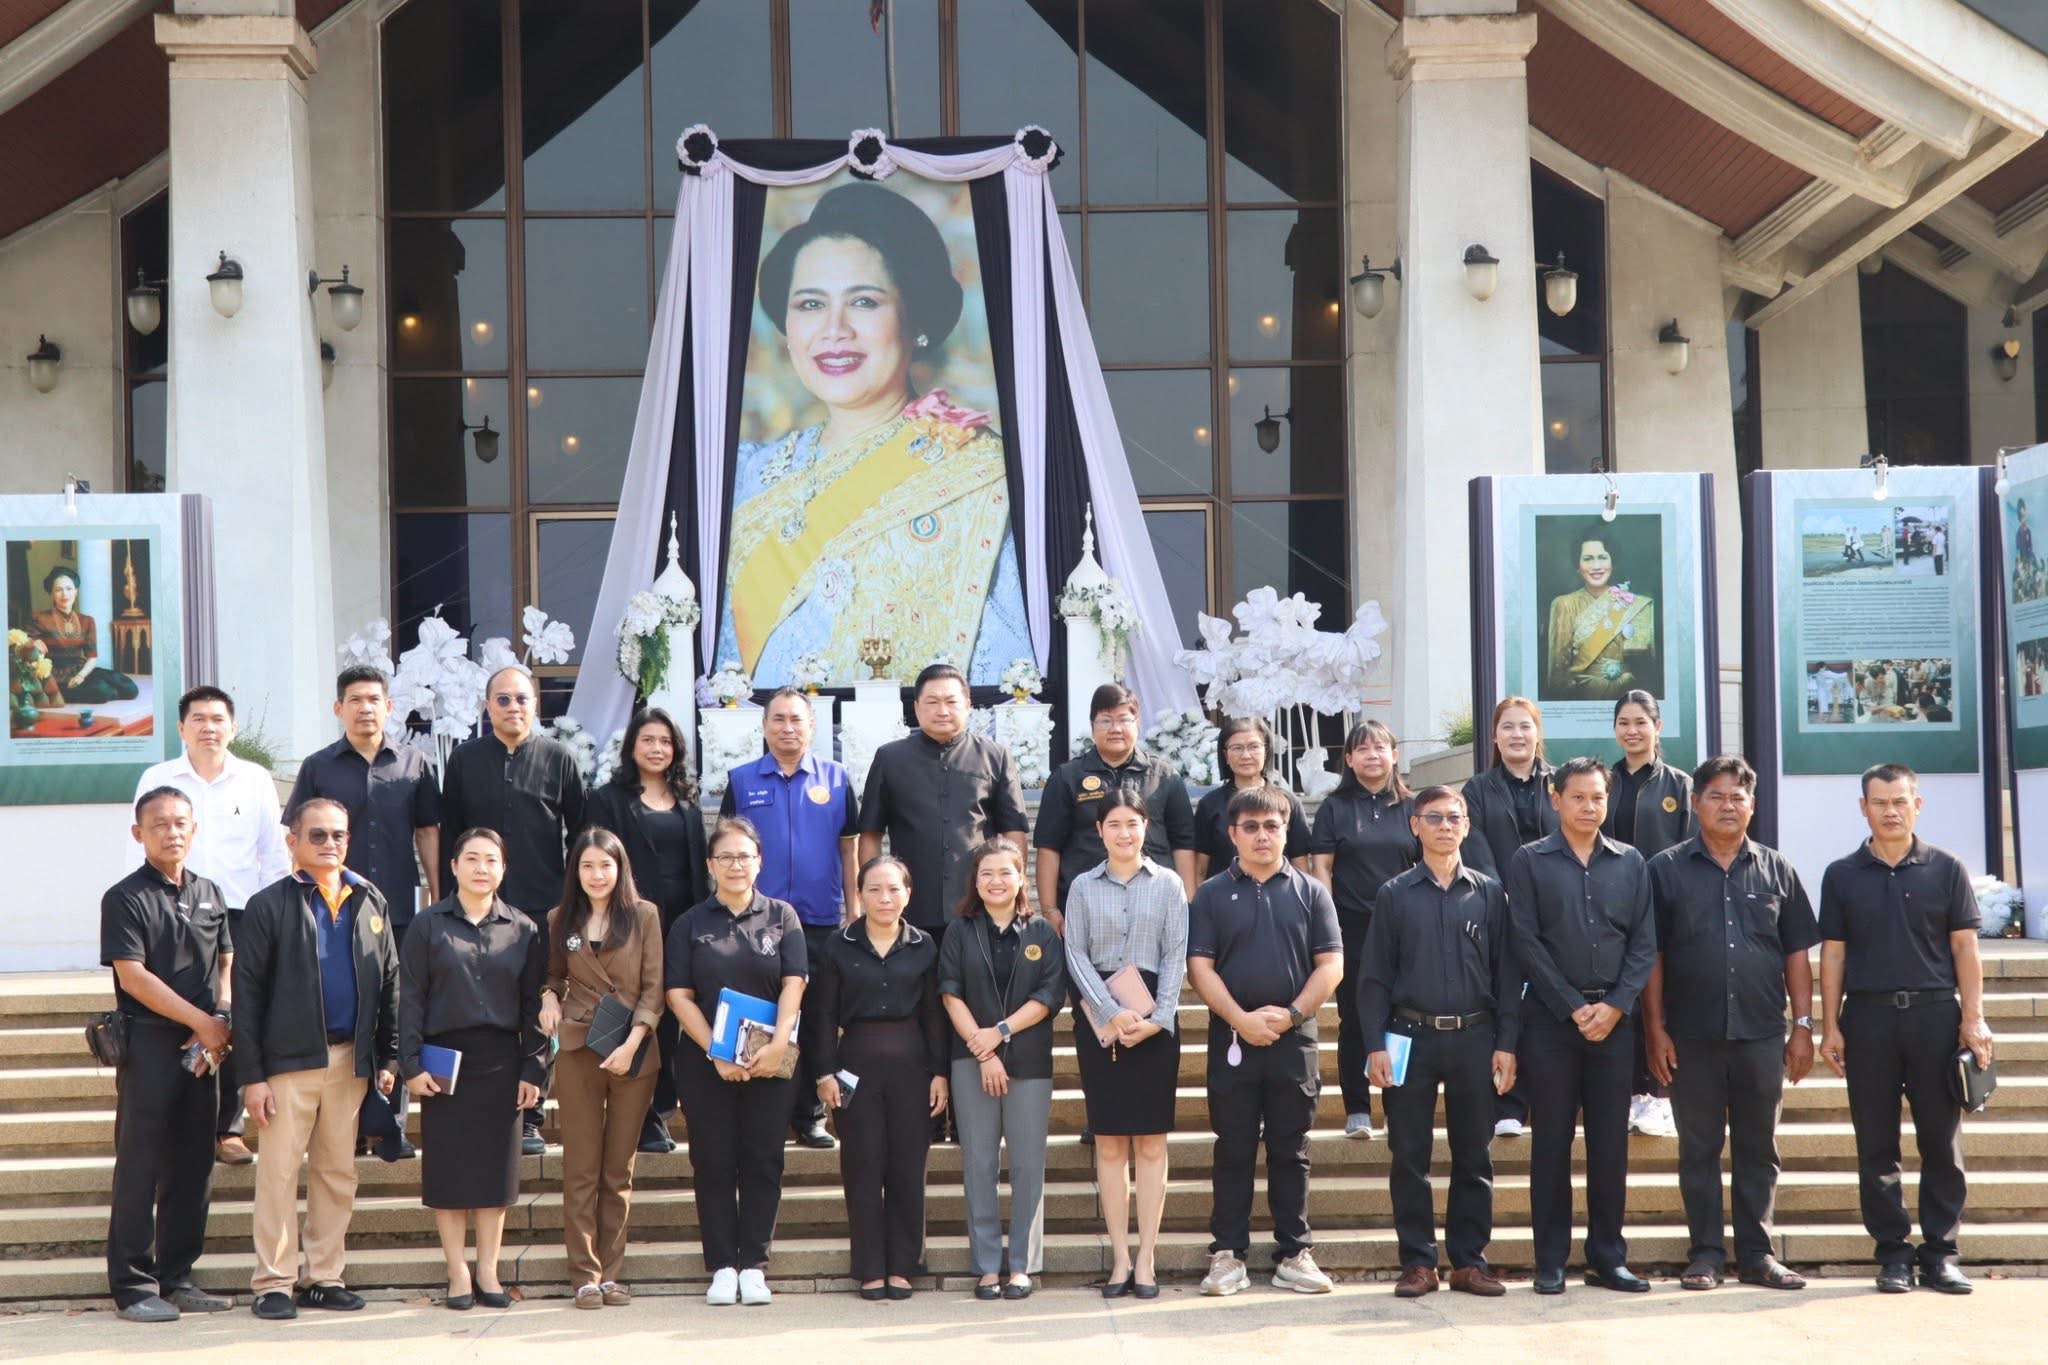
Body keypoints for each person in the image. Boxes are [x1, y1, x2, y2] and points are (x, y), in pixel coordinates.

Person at [714, 181, 1030, 685]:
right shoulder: (745, 475)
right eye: (811, 305)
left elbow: (1011, 671)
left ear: (916, 320)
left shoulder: (982, 473)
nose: (834, 330)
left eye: (863, 302)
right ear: (787, 330)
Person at [1641, 756, 1817, 1292]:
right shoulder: (1665, 869)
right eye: (1715, 796)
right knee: (1697, 1149)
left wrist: (1803, 1026)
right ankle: (1706, 1254)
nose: (1727, 805)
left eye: (1737, 797)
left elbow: (1796, 955)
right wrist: (1655, 1029)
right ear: (1695, 803)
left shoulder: (1777, 868)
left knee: (1758, 1147)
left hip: (1762, 1033)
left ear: (1752, 805)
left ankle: (1759, 1255)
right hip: (1690, 1036)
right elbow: (1652, 955)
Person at [1817, 763, 1992, 1294]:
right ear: (1863, 808)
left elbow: (1965, 947)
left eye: (1900, 801)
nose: (1890, 810)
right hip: (1867, 1019)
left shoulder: (1946, 868)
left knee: (1941, 1142)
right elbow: (1833, 955)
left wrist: (1973, 1017)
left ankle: (1941, 1254)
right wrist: (1830, 1026)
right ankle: (1893, 1254)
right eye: (1880, 802)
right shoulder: (1842, 873)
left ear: (1918, 804)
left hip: (1935, 1017)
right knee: (1876, 1145)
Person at [232, 797, 400, 1319]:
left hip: (351, 1062)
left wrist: (388, 1055)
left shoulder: (369, 899)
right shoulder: (268, 905)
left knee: (336, 1172)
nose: (331, 844)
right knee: (279, 1173)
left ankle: (324, 1276)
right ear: (293, 841)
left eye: (339, 835)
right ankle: (274, 1283)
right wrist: (252, 1076)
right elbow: (248, 996)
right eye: (319, 835)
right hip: (289, 1064)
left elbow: (391, 981)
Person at [1360, 786, 1519, 1298]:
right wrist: (1374, 1044)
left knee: (1475, 1153)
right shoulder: (1394, 894)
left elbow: (1507, 973)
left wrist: (1507, 1042)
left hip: (1475, 1036)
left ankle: (1469, 1262)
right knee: (1409, 1153)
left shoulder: (1490, 892)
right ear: (1415, 825)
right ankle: (1418, 1263)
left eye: (1455, 817)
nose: (1445, 826)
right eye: (1434, 818)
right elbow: (1375, 979)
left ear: (1467, 826)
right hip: (1410, 1037)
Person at [1506, 756, 1655, 1295]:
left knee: (1610, 1146)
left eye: (1598, 797)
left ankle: (1607, 1257)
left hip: (1615, 1024)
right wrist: (1571, 1006)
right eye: (1578, 797)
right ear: (1555, 797)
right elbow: (1525, 941)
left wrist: (1615, 1006)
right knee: (1550, 1143)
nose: (1590, 807)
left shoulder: (1631, 862)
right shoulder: (1529, 861)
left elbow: (1643, 944)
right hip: (1550, 1023)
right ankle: (1551, 1260)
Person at [1187, 787, 1343, 1298]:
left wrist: (1294, 1013)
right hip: (1233, 1038)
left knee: (1290, 1149)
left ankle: (1294, 1253)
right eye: (1250, 826)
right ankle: (1227, 1254)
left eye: (1271, 826)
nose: (1261, 835)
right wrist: (1240, 1018)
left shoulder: (1311, 891)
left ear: (1285, 831)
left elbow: (1331, 964)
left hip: (1293, 1041)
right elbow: (1199, 966)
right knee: (1232, 1148)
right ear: (1232, 834)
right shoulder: (1210, 893)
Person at [289, 664, 441, 1161]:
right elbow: (297, 835)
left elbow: (428, 834)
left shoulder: (414, 763)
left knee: (391, 1011)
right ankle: (342, 1127)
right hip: (331, 910)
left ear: (390, 706)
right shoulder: (318, 766)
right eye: (354, 700)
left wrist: (437, 899)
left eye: (374, 699)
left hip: (393, 907)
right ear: (339, 708)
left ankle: (389, 1126)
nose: (365, 707)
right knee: (343, 1008)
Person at [135, 685, 289, 1166]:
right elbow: (137, 847)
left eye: (217, 719)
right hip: (175, 911)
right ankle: (182, 1119)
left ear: (233, 727)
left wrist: (276, 917)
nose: (208, 727)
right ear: (181, 728)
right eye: (197, 719)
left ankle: (228, 1128)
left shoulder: (254, 780)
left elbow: (273, 855)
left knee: (239, 1015)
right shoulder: (158, 778)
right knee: (185, 1014)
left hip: (243, 913)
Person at [398, 828, 548, 1311]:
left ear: (503, 868)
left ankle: (488, 1269)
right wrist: (410, 1063)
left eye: (492, 860)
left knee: (495, 1176)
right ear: (455, 866)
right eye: (472, 859)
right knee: (448, 1173)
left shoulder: (523, 928)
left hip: (503, 1062)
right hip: (444, 1063)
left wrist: (535, 1070)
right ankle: (456, 1271)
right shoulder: (428, 925)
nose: (482, 868)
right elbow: (410, 998)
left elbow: (534, 1008)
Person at [440, 663, 587, 1153]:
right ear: (488, 707)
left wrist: (576, 906)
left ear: (536, 705)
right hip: (477, 908)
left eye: (521, 699)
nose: (512, 707)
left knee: (538, 1005)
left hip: (543, 906)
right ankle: (485, 1104)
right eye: (502, 699)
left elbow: (582, 836)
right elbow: (450, 836)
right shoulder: (464, 761)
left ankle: (531, 1112)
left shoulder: (560, 759)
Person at [101, 787, 235, 1323]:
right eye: (159, 824)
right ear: (139, 834)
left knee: (193, 1164)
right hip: (152, 1043)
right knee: (141, 1163)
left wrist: (220, 1020)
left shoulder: (210, 891)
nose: (171, 832)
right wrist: (200, 1021)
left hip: (204, 1050)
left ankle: (177, 1277)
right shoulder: (125, 897)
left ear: (194, 829)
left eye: (181, 822)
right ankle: (133, 1285)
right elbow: (132, 976)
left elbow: (227, 961)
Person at [664, 817, 807, 1308]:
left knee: (765, 1159)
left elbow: (794, 983)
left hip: (771, 1058)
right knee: (714, 1160)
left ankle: (755, 1265)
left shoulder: (782, 916)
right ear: (710, 865)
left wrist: (778, 1043)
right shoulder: (689, 923)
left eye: (745, 856)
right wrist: (717, 1052)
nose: (736, 865)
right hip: (707, 1062)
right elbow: (678, 995)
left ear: (759, 861)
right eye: (725, 857)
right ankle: (723, 1264)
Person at [720, 688, 860, 1151]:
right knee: (765, 1014)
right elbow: (724, 848)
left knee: (816, 1014)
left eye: (796, 720)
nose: (787, 728)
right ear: (764, 727)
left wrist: (853, 909)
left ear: (812, 725)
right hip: (758, 921)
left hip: (820, 918)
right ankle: (768, 1112)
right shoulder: (741, 781)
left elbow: (849, 847)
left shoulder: (837, 779)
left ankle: (811, 1115)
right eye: (777, 719)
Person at [1064, 787, 1188, 1298]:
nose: (1123, 832)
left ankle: (1146, 1260)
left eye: (1132, 823)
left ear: (1145, 828)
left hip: (1155, 1022)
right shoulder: (1082, 887)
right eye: (1113, 823)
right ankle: (1118, 1258)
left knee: (1152, 1143)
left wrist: (1158, 1018)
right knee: (1112, 1142)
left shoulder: (1169, 884)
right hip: (1100, 1020)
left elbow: (1177, 952)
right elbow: (1074, 953)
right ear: (1100, 831)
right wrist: (1113, 1012)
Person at [812, 856, 947, 1300]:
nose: (885, 898)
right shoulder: (838, 945)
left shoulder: (925, 945)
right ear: (860, 894)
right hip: (855, 1066)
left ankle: (904, 1265)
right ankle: (870, 1266)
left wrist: (940, 1072)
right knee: (863, 1163)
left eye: (894, 889)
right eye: (875, 889)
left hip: (912, 1066)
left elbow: (933, 1015)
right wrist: (824, 1072)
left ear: (909, 893)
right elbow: (824, 1014)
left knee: (909, 1165)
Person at [539, 828, 664, 1309]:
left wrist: (634, 1042)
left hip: (632, 1050)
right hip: (578, 1049)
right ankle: (584, 1275)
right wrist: (549, 997)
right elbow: (551, 973)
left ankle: (612, 1274)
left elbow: (654, 988)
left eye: (605, 866)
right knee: (582, 1166)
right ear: (577, 870)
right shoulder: (560, 918)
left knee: (618, 1169)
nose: (596, 875)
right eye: (587, 866)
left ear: (620, 867)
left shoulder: (645, 916)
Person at [938, 840, 1064, 1300]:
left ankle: (1022, 1266)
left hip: (1029, 1063)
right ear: (975, 880)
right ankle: (987, 1264)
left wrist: (1002, 1032)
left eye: (1005, 873)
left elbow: (1051, 997)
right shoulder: (959, 931)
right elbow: (950, 994)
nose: (996, 881)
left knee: (1028, 1165)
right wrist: (984, 1051)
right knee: (979, 1163)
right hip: (971, 1062)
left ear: (1021, 878)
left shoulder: (1042, 933)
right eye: (986, 873)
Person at [586, 706, 706, 1154]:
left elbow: (698, 868)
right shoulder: (607, 799)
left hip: (682, 923)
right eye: (648, 740)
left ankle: (666, 1106)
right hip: (629, 923)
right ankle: (641, 1115)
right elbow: (591, 864)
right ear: (632, 747)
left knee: (675, 1014)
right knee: (636, 1010)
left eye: (665, 741)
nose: (657, 749)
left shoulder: (688, 803)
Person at [858, 663, 1029, 939]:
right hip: (910, 908)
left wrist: (1017, 891)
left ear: (968, 705)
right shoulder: (890, 760)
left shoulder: (994, 757)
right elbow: (870, 834)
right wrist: (874, 894)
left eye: (951, 701)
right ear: (916, 707)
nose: (942, 710)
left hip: (979, 905)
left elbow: (1013, 832)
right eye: (932, 702)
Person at [1309, 719, 1416, 1141]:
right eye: (1363, 749)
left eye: (1380, 747)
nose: (1372, 755)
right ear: (1349, 760)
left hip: (1403, 927)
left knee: (1402, 1015)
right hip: (1350, 925)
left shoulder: (1413, 808)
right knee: (1353, 1016)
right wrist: (1327, 923)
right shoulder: (1335, 810)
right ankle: (1357, 1107)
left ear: (1394, 755)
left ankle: (1396, 1104)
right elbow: (1322, 867)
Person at [1459, 696, 1556, 1138]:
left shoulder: (1559, 783)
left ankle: (1548, 1100)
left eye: (1525, 727)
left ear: (1538, 734)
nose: (1517, 735)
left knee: (1549, 1007)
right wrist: (1509, 899)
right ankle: (1507, 1102)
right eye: (1508, 728)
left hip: (1558, 913)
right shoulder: (1477, 789)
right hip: (1498, 912)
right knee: (1505, 1003)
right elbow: (1475, 848)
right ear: (1494, 737)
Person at [1602, 690, 1692, 1140]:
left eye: (1640, 721)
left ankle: (1661, 1095)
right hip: (1613, 911)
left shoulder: (1680, 786)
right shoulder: (1605, 781)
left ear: (1657, 727)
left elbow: (1693, 850)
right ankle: (1632, 1094)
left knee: (1664, 1003)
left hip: (1667, 910)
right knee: (1627, 1003)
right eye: (1623, 722)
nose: (1632, 730)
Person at [1034, 682, 1199, 926]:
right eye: (1106, 720)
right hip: (1085, 909)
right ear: (1092, 726)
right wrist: (1049, 910)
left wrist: (1187, 906)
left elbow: (1183, 846)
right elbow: (1049, 847)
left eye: (1124, 719)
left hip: (1155, 907)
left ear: (1137, 722)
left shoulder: (1165, 778)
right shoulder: (1067, 778)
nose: (1116, 728)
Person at [1190, 715, 1311, 881]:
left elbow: (1301, 865)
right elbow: (1199, 870)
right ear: (1225, 755)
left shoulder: (1289, 803)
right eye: (1237, 748)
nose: (1246, 755)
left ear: (1266, 750)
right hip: (1223, 900)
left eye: (1254, 747)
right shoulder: (1210, 805)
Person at [1544, 528, 1657, 700]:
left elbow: (1648, 667)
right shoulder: (1564, 604)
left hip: (1628, 700)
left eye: (1602, 557)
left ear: (1613, 562)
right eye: (1588, 559)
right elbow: (1558, 674)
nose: (1596, 566)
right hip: (1583, 698)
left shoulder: (1635, 603)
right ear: (1578, 565)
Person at [24, 564, 139, 703]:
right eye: (58, 590)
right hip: (55, 676)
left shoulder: (87, 621)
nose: (64, 594)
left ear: (76, 591)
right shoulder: (39, 618)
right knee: (103, 691)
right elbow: (22, 647)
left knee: (129, 688)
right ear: (51, 593)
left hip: (81, 671)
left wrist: (81, 676)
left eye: (69, 588)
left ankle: (92, 687)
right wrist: (31, 642)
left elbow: (92, 657)